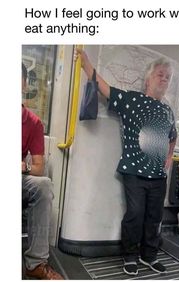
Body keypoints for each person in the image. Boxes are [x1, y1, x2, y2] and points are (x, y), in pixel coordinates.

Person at [74, 48, 177, 275]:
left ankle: (149, 256)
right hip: (134, 170)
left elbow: (173, 136)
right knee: (135, 213)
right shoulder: (133, 99)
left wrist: (169, 157)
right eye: (160, 74)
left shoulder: (168, 110)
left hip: (158, 174)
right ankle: (130, 255)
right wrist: (87, 65)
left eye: (168, 77)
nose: (164, 79)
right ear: (149, 78)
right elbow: (106, 89)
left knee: (154, 217)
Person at [22, 63, 63, 279]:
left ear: (24, 84)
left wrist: (22, 166)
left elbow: (37, 167)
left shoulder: (33, 123)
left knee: (44, 184)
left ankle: (35, 264)